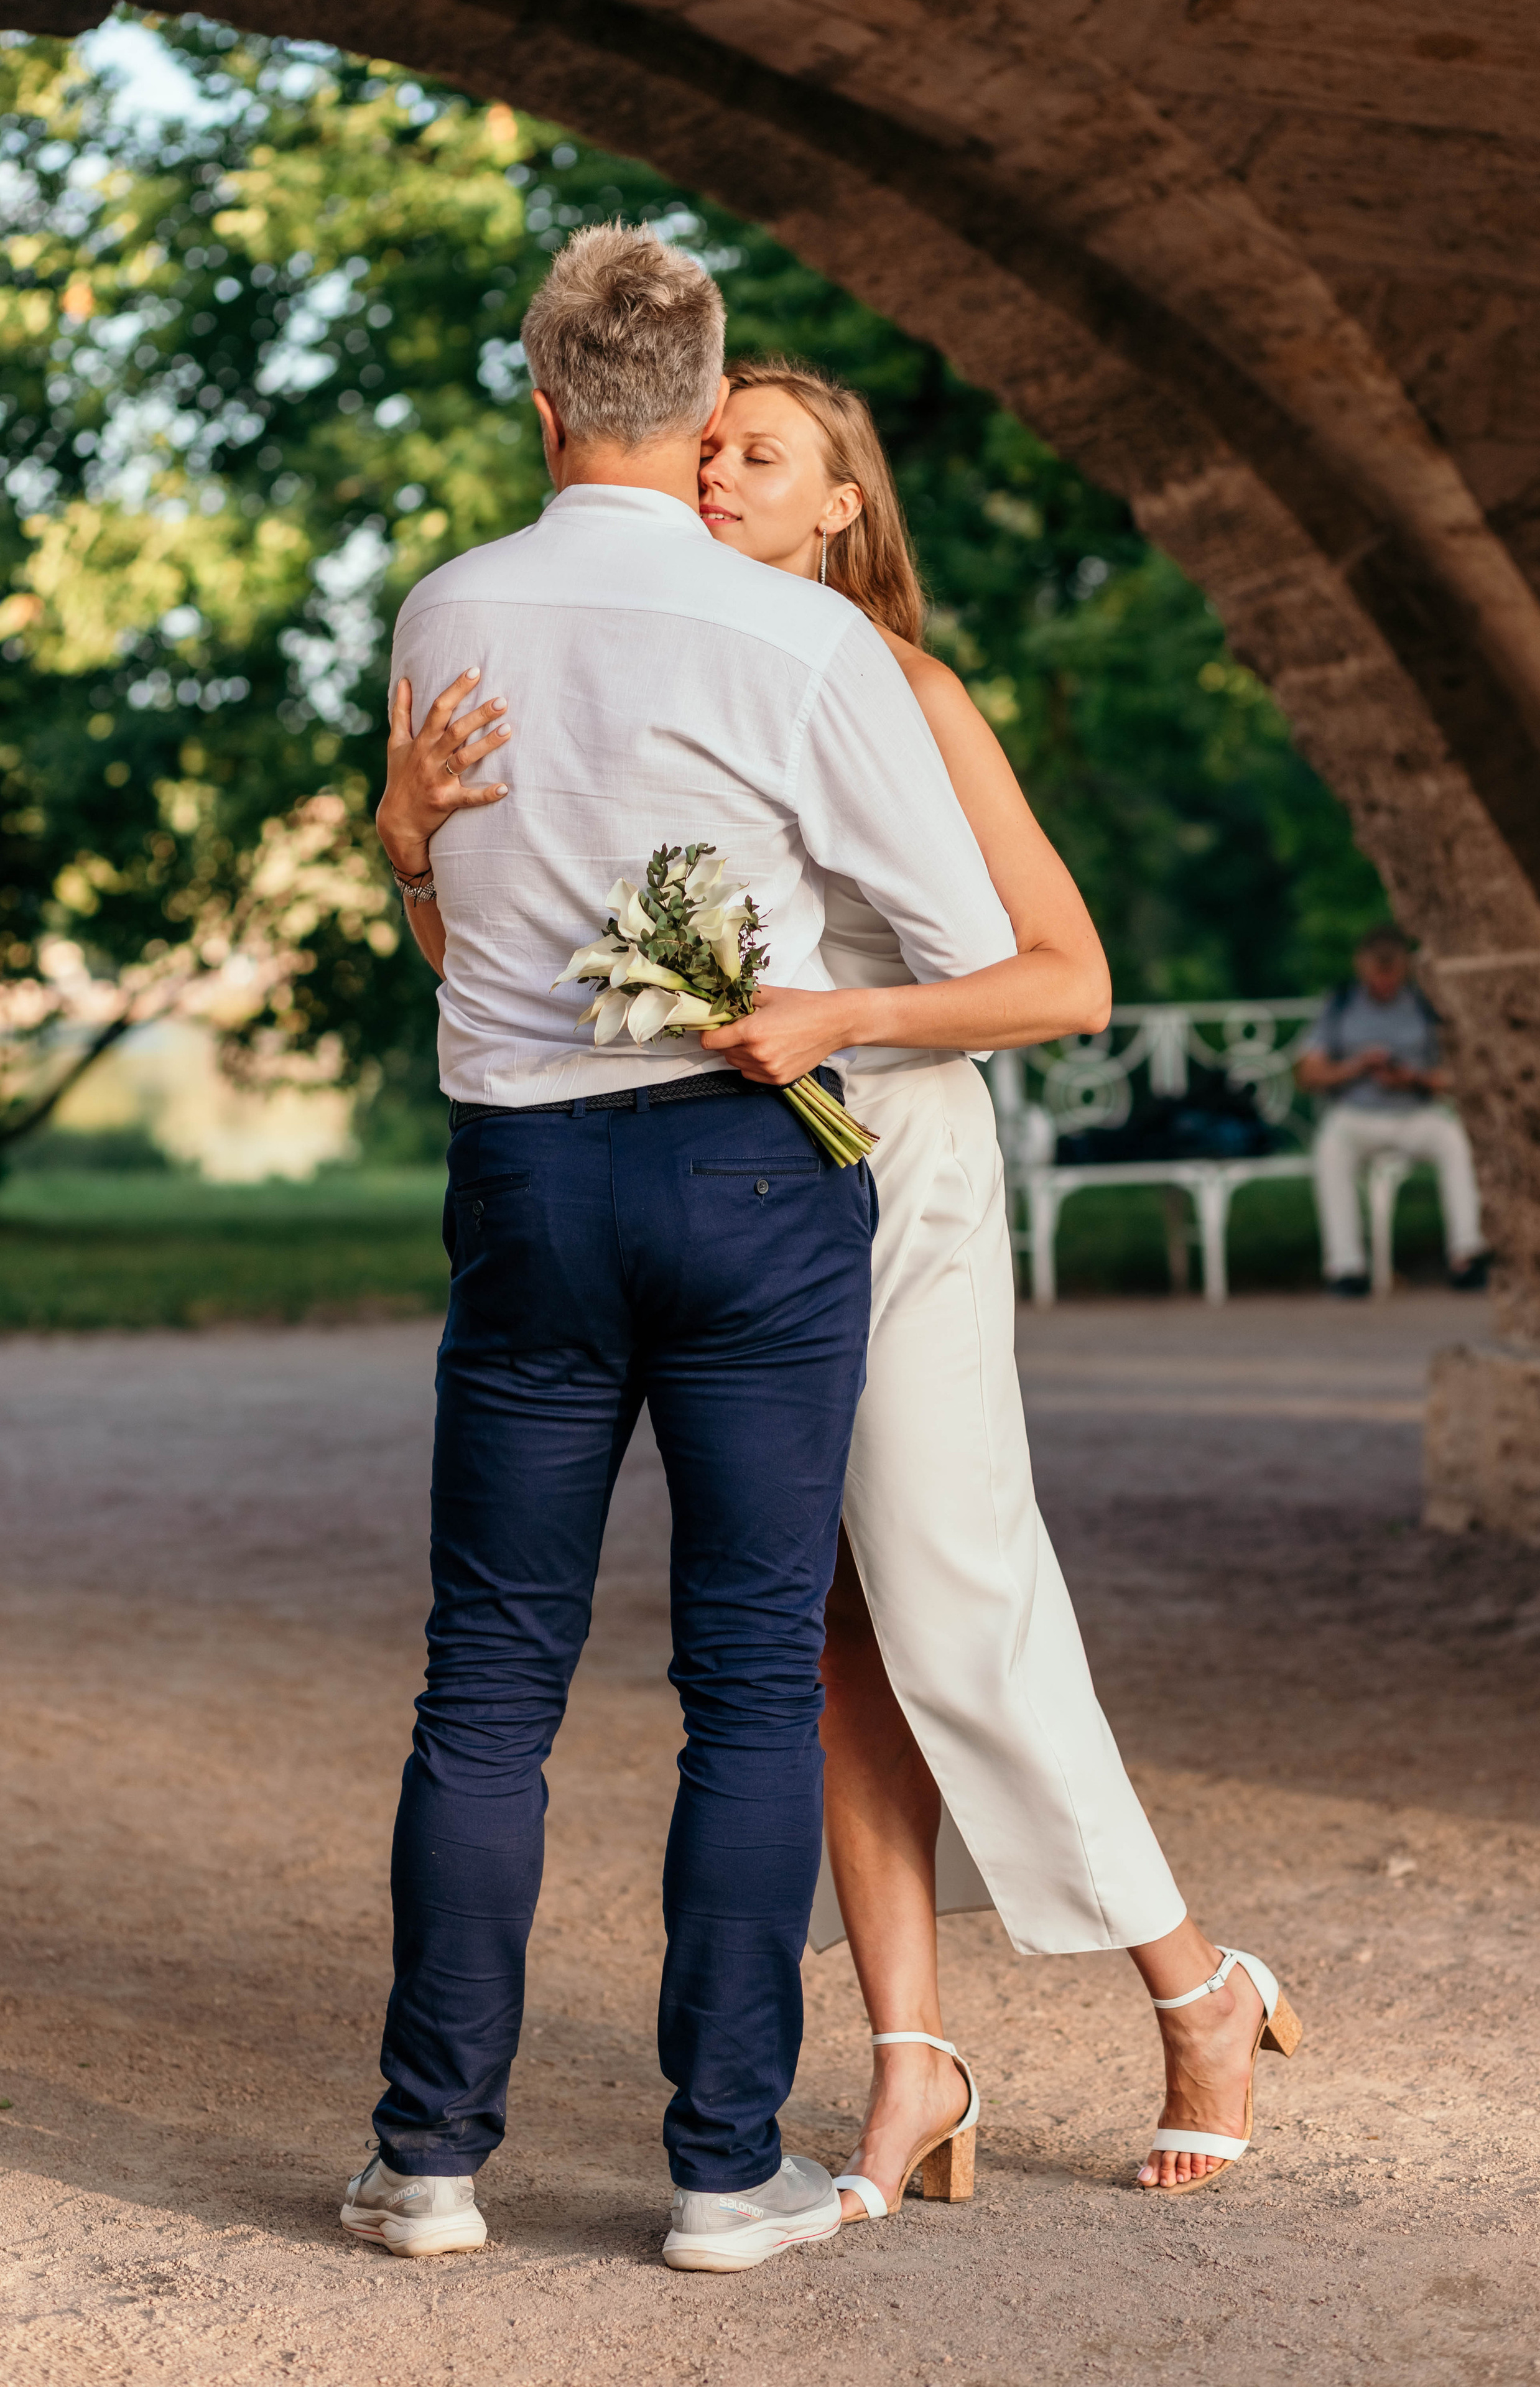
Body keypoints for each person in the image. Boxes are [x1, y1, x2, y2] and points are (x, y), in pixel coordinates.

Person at [387, 351, 1304, 2207]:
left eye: (764, 455)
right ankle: (910, 2062)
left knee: (951, 1599)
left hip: (894, 1156)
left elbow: (1065, 978)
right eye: (706, 444)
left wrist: (838, 1012)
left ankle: (1192, 1978)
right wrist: (420, 844)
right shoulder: (659, 678)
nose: (716, 471)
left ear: (840, 505)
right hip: (734, 1174)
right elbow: (497, 961)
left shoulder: (896, 680)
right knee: (817, 1639)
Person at [346, 228, 1020, 2274]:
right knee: (744, 1692)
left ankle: (427, 2168)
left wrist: (398, 842)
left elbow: (464, 963)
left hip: (529, 1186)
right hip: (750, 1190)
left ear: (542, 401)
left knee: (485, 1691)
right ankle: (726, 2173)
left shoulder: (444, 610)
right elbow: (967, 953)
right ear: (704, 389)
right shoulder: (800, 645)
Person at [1297, 925, 1488, 1296]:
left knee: (1456, 1141)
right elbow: (1307, 1073)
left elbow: (1459, 1074)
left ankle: (1467, 1253)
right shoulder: (1340, 1005)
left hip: (1414, 1112)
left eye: (1392, 971)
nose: (1385, 980)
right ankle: (1346, 1267)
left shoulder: (1424, 1005)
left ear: (1405, 968)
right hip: (1356, 1113)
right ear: (1361, 967)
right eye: (1377, 971)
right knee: (1331, 1150)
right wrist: (1356, 1066)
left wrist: (1413, 1079)